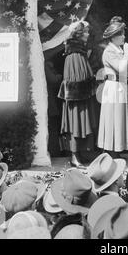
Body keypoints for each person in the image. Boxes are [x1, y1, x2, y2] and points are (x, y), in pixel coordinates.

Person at [58, 21, 98, 167]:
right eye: (85, 32)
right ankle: (74, 156)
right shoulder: (73, 52)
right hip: (76, 97)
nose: (87, 34)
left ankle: (82, 154)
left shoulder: (79, 50)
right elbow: (74, 77)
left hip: (82, 95)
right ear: (78, 34)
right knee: (76, 124)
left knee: (82, 123)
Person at [97, 19, 128, 154]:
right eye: (121, 34)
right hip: (113, 87)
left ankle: (117, 149)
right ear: (113, 37)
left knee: (119, 117)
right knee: (113, 117)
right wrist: (127, 53)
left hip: (120, 85)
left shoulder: (118, 50)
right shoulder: (109, 51)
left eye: (123, 33)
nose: (124, 36)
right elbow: (121, 68)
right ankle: (110, 150)